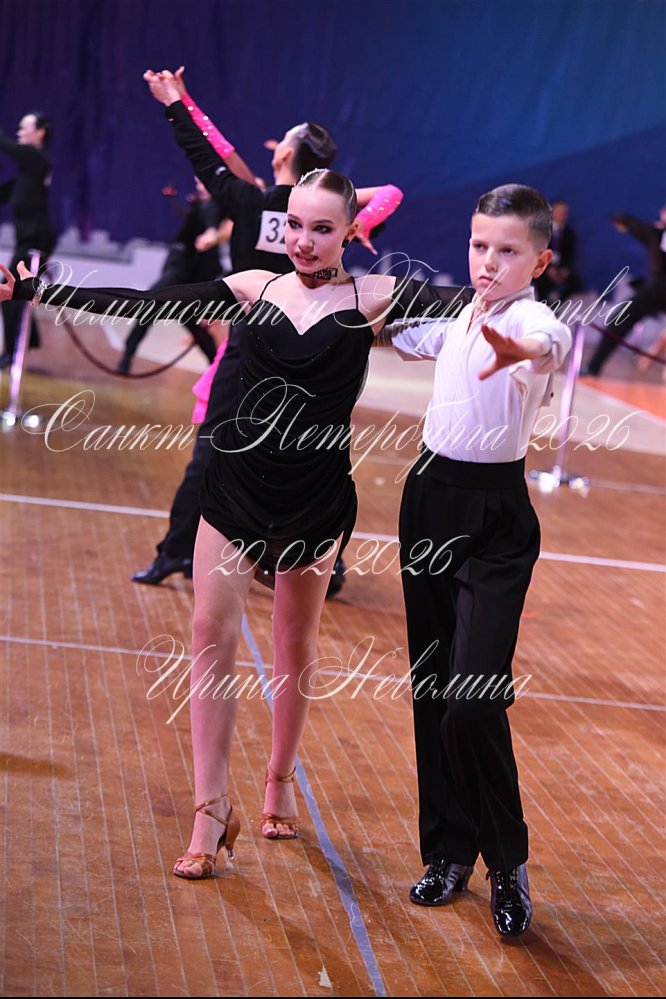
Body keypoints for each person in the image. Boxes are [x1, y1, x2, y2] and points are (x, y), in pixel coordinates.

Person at [2, 168, 471, 880]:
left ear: (352, 231)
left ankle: (279, 778)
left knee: (294, 641)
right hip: (236, 485)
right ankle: (210, 808)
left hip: (315, 495)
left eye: (322, 228)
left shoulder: (377, 296)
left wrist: (531, 308)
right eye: (294, 225)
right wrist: (38, 290)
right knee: (207, 630)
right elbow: (148, 303)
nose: (303, 241)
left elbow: (477, 308)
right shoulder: (254, 286)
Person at [131, 68, 403, 598]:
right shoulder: (331, 217)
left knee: (213, 452)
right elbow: (390, 192)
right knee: (310, 458)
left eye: (283, 143)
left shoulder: (250, 203)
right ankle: (322, 563)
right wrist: (356, 219)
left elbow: (209, 155)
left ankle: (176, 551)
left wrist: (177, 103)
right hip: (316, 354)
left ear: (284, 156)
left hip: (249, 354)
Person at [390, 184, 571, 937]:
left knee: (473, 696)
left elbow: (550, 344)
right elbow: (409, 335)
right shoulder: (463, 316)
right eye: (478, 245)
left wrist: (521, 351)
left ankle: (506, 859)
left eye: (507, 250)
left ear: (540, 260)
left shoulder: (531, 321)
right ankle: (447, 850)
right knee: (433, 688)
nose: (488, 262)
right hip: (428, 498)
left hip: (495, 516)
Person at [116, 178, 225, 374]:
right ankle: (217, 369)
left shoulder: (212, 207)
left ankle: (218, 369)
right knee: (184, 320)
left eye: (202, 182)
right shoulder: (202, 207)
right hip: (184, 271)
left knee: (152, 307)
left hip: (183, 272)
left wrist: (210, 232)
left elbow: (209, 218)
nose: (199, 186)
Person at [582, 206, 666, 377]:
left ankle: (593, 366)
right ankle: (593, 366)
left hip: (658, 289)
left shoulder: (657, 233)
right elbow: (641, 228)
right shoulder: (656, 234)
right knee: (619, 320)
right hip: (655, 290)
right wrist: (624, 221)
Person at [0, 111, 56, 369]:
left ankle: (13, 353)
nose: (19, 132)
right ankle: (28, 340)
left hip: (36, 242)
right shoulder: (25, 175)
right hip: (27, 241)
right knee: (14, 291)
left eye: (25, 128)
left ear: (40, 132)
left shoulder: (37, 158)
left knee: (9, 292)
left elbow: (10, 147)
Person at [533, 198, 582, 307]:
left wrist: (565, 269)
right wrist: (548, 269)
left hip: (561, 268)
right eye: (559, 211)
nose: (562, 215)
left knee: (576, 282)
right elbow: (537, 251)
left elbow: (570, 254)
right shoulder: (542, 231)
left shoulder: (569, 233)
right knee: (542, 281)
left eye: (564, 213)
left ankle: (557, 305)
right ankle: (542, 305)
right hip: (544, 268)